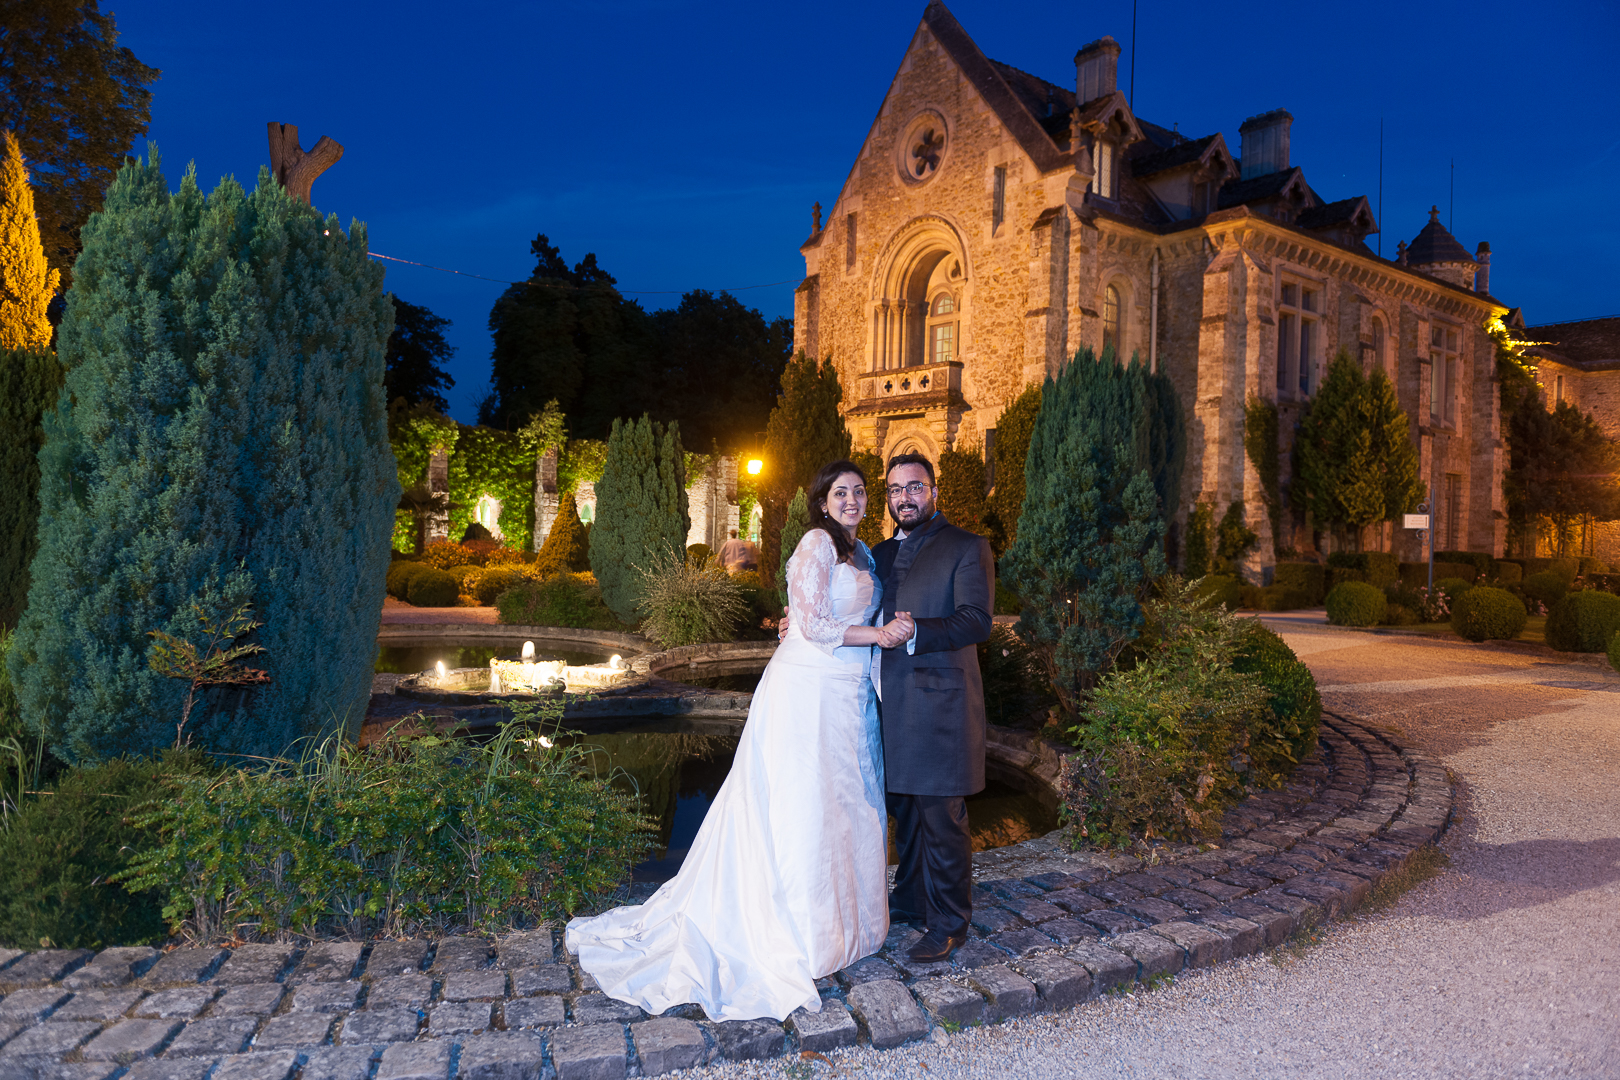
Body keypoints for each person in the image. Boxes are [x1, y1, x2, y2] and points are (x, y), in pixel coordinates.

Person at [566, 460, 914, 1022]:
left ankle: (850, 930)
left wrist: (838, 630)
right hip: (807, 693)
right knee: (803, 805)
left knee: (847, 804)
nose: (851, 500)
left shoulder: (864, 552)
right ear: (822, 503)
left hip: (848, 696)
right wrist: (878, 633)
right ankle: (801, 934)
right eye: (839, 493)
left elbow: (815, 615)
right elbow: (817, 624)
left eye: (858, 491)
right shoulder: (815, 544)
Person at [871, 453, 994, 963]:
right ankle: (912, 898)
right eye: (897, 490)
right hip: (884, 702)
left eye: (915, 487)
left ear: (934, 492)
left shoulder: (966, 547)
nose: (906, 497)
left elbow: (975, 621)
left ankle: (948, 922)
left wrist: (918, 630)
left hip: (939, 706)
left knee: (942, 815)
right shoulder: (875, 552)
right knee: (906, 811)